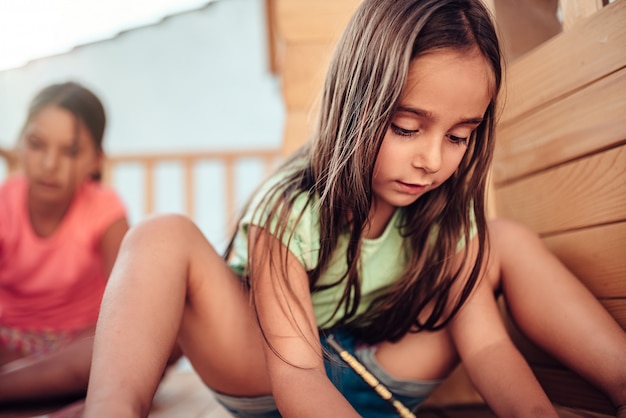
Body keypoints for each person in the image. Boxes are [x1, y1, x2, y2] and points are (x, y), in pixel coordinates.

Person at [84, 0, 626, 417]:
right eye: (407, 129)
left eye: (460, 136)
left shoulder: (443, 216)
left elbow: (485, 346)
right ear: (357, 104)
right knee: (162, 233)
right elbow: (297, 376)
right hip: (272, 376)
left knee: (502, 239)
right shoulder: (292, 206)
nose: (431, 160)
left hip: (381, 373)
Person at [0, 82, 129, 405]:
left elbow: (131, 304)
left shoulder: (105, 210)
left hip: (78, 344)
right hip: (9, 343)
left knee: (159, 337)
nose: (49, 164)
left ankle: (12, 389)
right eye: (36, 144)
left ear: (96, 160)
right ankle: (36, 387)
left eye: (70, 151)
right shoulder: (4, 203)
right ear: (20, 144)